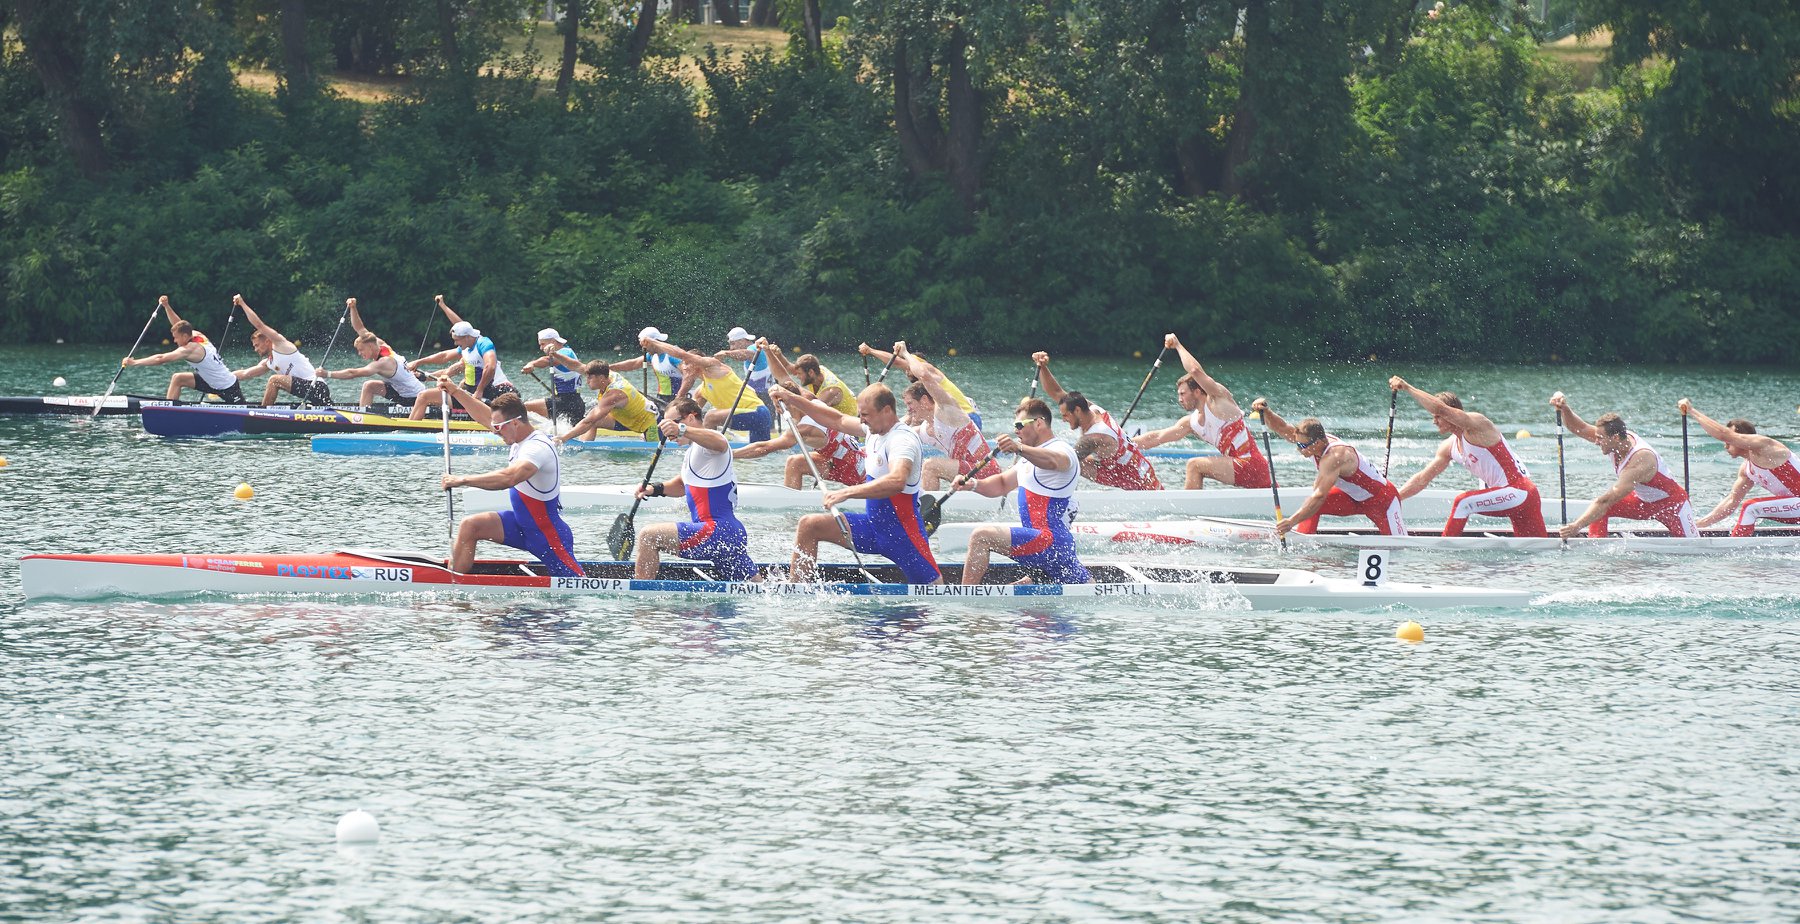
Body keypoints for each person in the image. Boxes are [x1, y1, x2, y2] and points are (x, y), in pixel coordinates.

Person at [789, 384, 941, 584]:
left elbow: (897, 480)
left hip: (903, 538)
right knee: (809, 525)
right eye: (860, 414)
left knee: (934, 593)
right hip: (872, 528)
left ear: (886, 411)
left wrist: (847, 493)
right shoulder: (873, 429)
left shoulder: (902, 440)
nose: (861, 420)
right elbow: (836, 419)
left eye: (866, 415)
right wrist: (790, 398)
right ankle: (797, 591)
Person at [437, 383, 582, 576]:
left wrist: (462, 480)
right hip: (521, 525)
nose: (495, 431)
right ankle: (453, 581)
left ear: (515, 422)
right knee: (470, 525)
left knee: (578, 582)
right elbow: (484, 416)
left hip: (547, 535)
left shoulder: (537, 447)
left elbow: (510, 477)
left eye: (498, 427)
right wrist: (454, 391)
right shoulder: (516, 436)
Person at [953, 398, 1090, 585]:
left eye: (1019, 425)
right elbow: (1001, 484)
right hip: (1049, 546)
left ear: (1039, 423)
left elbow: (1055, 462)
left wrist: (1019, 448)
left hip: (1048, 541)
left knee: (981, 536)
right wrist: (972, 484)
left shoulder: (1061, 449)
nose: (1016, 430)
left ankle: (965, 598)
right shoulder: (1029, 457)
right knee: (1085, 588)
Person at [1390, 376, 1547, 537]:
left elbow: (1440, 408)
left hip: (1521, 491)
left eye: (1437, 417)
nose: (1434, 421)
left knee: (1462, 502)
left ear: (1452, 413)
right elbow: (1422, 479)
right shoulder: (1448, 446)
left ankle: (1445, 550)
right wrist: (1394, 498)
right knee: (1535, 550)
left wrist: (1407, 387)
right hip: (1509, 497)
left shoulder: (1478, 426)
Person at [631, 398, 760, 581]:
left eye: (674, 422)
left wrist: (681, 430)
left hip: (716, 530)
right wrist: (654, 489)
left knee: (648, 536)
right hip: (730, 535)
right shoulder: (693, 450)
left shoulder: (709, 444)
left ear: (691, 418)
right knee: (757, 590)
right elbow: (683, 485)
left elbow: (721, 443)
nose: (670, 431)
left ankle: (641, 600)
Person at [1132, 333, 1271, 490]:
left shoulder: (1217, 399)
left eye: (1183, 394)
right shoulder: (1191, 422)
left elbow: (1195, 370)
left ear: (1197, 391)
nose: (1179, 399)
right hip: (1241, 468)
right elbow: (1157, 437)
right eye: (1178, 395)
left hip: (1252, 464)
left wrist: (1177, 345)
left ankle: (1187, 509)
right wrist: (1126, 443)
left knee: (1194, 466)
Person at [1254, 398, 1407, 536]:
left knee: (1398, 548)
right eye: (1297, 443)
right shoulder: (1310, 440)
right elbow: (1282, 428)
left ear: (1318, 443)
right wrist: (1266, 412)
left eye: (1302, 445)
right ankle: (1304, 542)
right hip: (1352, 498)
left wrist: (1291, 521)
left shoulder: (1334, 457)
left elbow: (1319, 496)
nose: (1298, 449)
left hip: (1382, 501)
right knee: (1311, 506)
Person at [1550, 394, 1694, 538]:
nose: (1596, 441)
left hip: (1672, 506)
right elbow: (1579, 427)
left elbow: (1606, 500)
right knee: (1599, 509)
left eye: (1600, 439)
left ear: (1616, 438)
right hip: (1642, 503)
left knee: (1694, 549)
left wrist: (1576, 526)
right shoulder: (1614, 440)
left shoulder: (1641, 459)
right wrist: (1564, 409)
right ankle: (1596, 548)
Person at [1033, 351, 1163, 491]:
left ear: (1077, 411)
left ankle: (1058, 495)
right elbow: (1057, 393)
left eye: (1065, 416)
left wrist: (1027, 455)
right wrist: (1042, 366)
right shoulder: (1093, 409)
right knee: (1072, 460)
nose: (1064, 420)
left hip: (1139, 483)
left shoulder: (1094, 437)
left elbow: (1065, 462)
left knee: (1071, 464)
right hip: (1137, 469)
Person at [1681, 399, 1800, 536]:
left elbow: (1724, 434)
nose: (1725, 445)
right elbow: (1730, 503)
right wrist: (1697, 526)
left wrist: (1691, 411)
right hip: (1795, 507)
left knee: (1750, 507)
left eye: (1729, 442)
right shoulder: (1747, 470)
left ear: (1741, 439)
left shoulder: (1766, 447)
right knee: (1749, 507)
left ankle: (1733, 548)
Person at [892, 341, 1000, 490]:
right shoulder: (924, 429)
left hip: (987, 470)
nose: (908, 410)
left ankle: (928, 513)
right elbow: (895, 430)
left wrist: (905, 353)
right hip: (967, 476)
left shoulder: (945, 410)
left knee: (930, 466)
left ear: (924, 400)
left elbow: (923, 375)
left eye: (910, 404)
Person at [640, 334, 772, 442]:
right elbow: (692, 418)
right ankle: (705, 446)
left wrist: (654, 343)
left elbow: (682, 354)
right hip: (750, 420)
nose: (684, 367)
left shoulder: (713, 366)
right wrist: (673, 432)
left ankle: (709, 449)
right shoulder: (701, 391)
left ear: (697, 362)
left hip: (758, 413)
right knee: (761, 453)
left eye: (687, 364)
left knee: (710, 416)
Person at [736, 384, 866, 489]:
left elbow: (764, 447)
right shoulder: (814, 402)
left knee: (794, 463)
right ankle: (793, 498)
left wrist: (731, 454)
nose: (777, 411)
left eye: (777, 406)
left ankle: (790, 506)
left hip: (852, 471)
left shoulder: (805, 429)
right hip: (846, 460)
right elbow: (789, 382)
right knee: (795, 461)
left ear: (788, 404)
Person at [406, 295, 514, 419]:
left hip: (498, 391)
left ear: (467, 337)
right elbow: (444, 356)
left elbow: (490, 367)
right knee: (423, 396)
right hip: (473, 393)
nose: (455, 343)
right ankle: (409, 429)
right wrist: (420, 366)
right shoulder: (465, 348)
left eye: (457, 340)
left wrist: (479, 391)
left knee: (430, 395)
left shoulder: (483, 343)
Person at [123, 295, 246, 403]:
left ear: (185, 336)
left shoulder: (189, 349)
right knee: (178, 378)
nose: (174, 341)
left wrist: (134, 362)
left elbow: (161, 359)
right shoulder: (196, 334)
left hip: (228, 386)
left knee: (244, 414)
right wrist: (167, 306)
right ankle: (169, 411)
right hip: (209, 382)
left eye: (176, 338)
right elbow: (179, 324)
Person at [316, 298, 427, 409]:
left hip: (415, 398)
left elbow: (353, 373)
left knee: (368, 384)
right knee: (369, 386)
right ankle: (363, 414)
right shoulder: (380, 344)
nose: (359, 353)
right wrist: (353, 308)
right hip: (401, 392)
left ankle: (361, 419)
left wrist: (327, 374)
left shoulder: (384, 362)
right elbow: (360, 328)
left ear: (369, 346)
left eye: (361, 350)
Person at [859, 342, 982, 429]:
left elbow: (896, 361)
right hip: (954, 420)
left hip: (968, 419)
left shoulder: (927, 369)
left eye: (909, 366)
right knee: (915, 414)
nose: (907, 371)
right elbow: (910, 415)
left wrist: (870, 350)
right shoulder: (922, 387)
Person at [560, 360, 659, 443]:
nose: (587, 381)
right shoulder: (606, 374)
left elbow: (588, 421)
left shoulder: (614, 394)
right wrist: (554, 354)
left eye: (590, 377)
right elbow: (576, 366)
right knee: (595, 421)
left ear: (601, 378)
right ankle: (583, 448)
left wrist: (563, 438)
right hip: (629, 419)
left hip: (650, 423)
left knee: (653, 455)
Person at [766, 345, 858, 417]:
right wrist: (778, 355)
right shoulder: (818, 370)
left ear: (810, 372)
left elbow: (811, 410)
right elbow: (787, 367)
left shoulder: (830, 390)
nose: (797, 376)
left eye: (799, 374)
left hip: (850, 427)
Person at [520, 328, 586, 427]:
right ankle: (550, 427)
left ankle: (536, 430)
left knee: (523, 407)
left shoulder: (565, 353)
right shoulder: (566, 351)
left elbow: (548, 360)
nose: (541, 348)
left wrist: (532, 364)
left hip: (567, 402)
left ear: (552, 342)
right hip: (570, 403)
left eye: (542, 344)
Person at [606, 326, 682, 406]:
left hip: (678, 398)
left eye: (644, 345)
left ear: (651, 342)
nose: (643, 348)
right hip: (661, 397)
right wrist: (609, 367)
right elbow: (633, 364)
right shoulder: (651, 356)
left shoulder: (672, 355)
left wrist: (680, 395)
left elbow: (688, 374)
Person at [716, 326, 773, 415]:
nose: (731, 348)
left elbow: (748, 354)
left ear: (742, 340)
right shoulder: (754, 347)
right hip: (761, 394)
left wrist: (726, 353)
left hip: (763, 395)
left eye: (733, 343)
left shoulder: (754, 348)